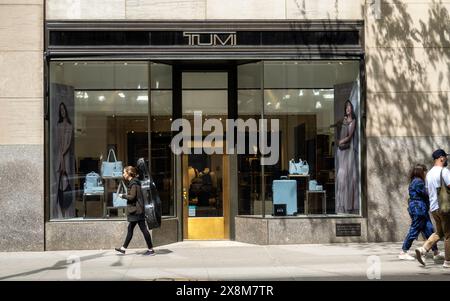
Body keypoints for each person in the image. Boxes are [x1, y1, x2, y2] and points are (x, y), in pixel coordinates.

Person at [415, 149, 450, 268]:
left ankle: (423, 249)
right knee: (448, 235)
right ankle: (448, 262)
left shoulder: (429, 174)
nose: (446, 159)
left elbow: (428, 191)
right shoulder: (444, 171)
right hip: (445, 207)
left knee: (439, 232)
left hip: (434, 208)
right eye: (445, 157)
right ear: (441, 158)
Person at [399, 164, 441, 260]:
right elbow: (426, 194)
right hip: (418, 209)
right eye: (425, 171)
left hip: (422, 209)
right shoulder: (418, 182)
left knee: (429, 230)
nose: (426, 173)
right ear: (421, 172)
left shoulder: (417, 181)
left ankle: (436, 252)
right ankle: (403, 251)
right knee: (414, 229)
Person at [115, 166, 155, 256]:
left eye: (124, 172)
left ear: (129, 173)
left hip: (136, 211)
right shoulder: (134, 182)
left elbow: (132, 197)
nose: (123, 174)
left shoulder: (134, 184)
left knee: (143, 229)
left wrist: (123, 196)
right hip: (136, 210)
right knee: (131, 229)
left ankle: (151, 249)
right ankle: (123, 248)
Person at [335, 100, 358, 214]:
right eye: (346, 107)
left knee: (348, 175)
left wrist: (340, 141)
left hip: (348, 149)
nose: (348, 109)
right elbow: (340, 132)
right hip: (342, 150)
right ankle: (341, 203)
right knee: (341, 175)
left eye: (349, 107)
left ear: (352, 108)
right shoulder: (344, 120)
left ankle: (349, 204)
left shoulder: (353, 121)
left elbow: (349, 136)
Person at [56, 102, 74, 218]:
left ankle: (67, 214)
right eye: (60, 109)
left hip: (65, 156)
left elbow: (68, 143)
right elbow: (58, 142)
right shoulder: (58, 125)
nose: (62, 111)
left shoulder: (70, 126)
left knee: (66, 183)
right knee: (59, 185)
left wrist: (63, 155)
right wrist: (60, 157)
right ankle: (59, 213)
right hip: (59, 156)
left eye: (64, 109)